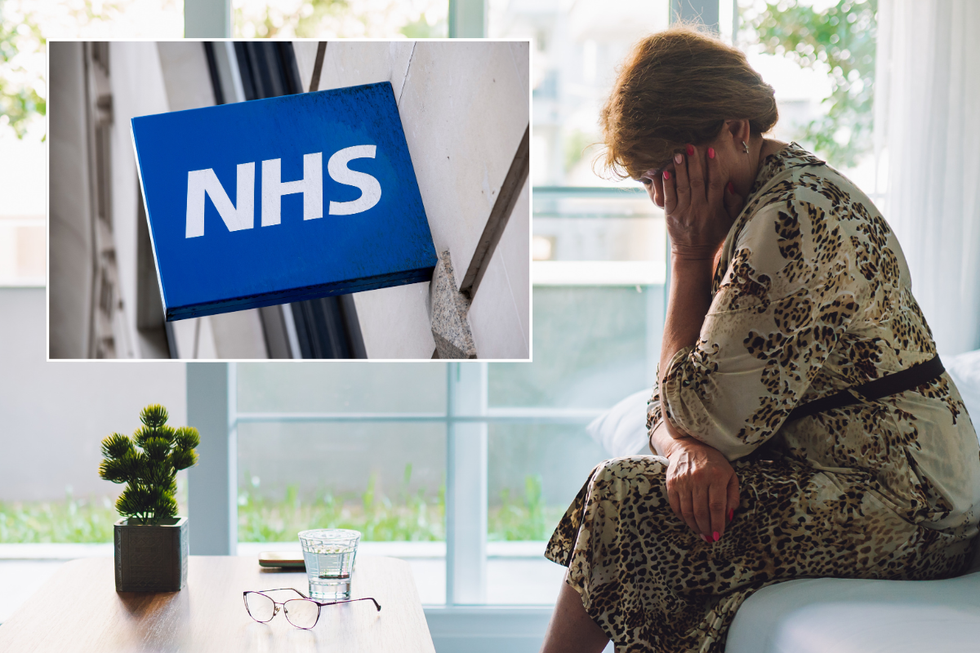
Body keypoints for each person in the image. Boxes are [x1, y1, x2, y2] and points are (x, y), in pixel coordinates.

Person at [540, 25, 980, 653]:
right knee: (642, 488)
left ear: (737, 130)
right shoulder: (764, 197)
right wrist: (681, 448)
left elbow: (701, 413)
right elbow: (682, 406)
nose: (668, 197)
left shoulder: (789, 220)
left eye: (675, 170)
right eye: (649, 181)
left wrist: (688, 258)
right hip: (853, 473)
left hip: (913, 504)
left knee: (625, 497)